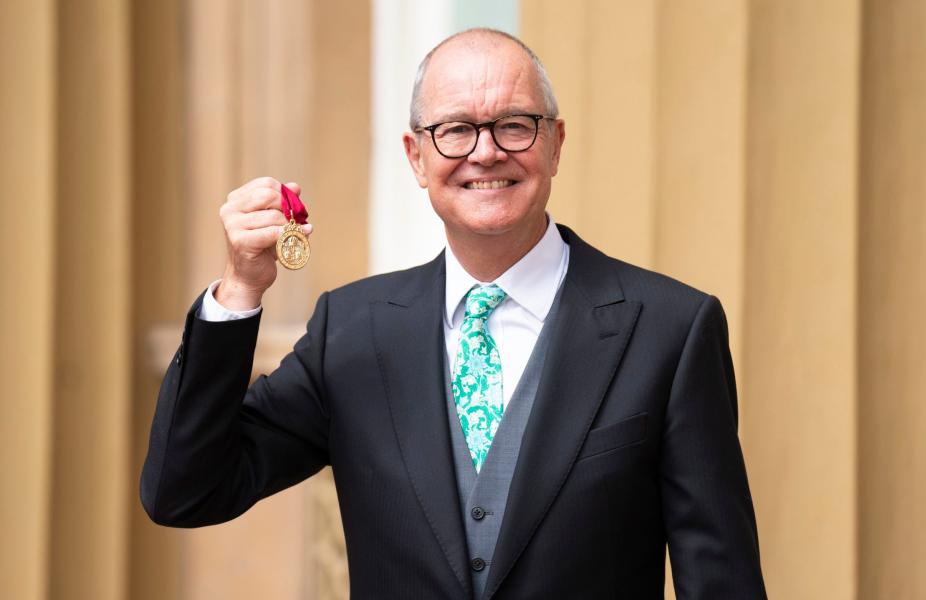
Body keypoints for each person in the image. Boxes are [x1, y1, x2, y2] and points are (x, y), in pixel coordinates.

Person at [141, 28, 766, 599]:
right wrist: (239, 290)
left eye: (515, 124)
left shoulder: (670, 329)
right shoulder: (352, 330)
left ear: (555, 143)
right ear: (416, 156)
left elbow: (721, 580)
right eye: (456, 129)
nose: (486, 152)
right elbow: (186, 491)